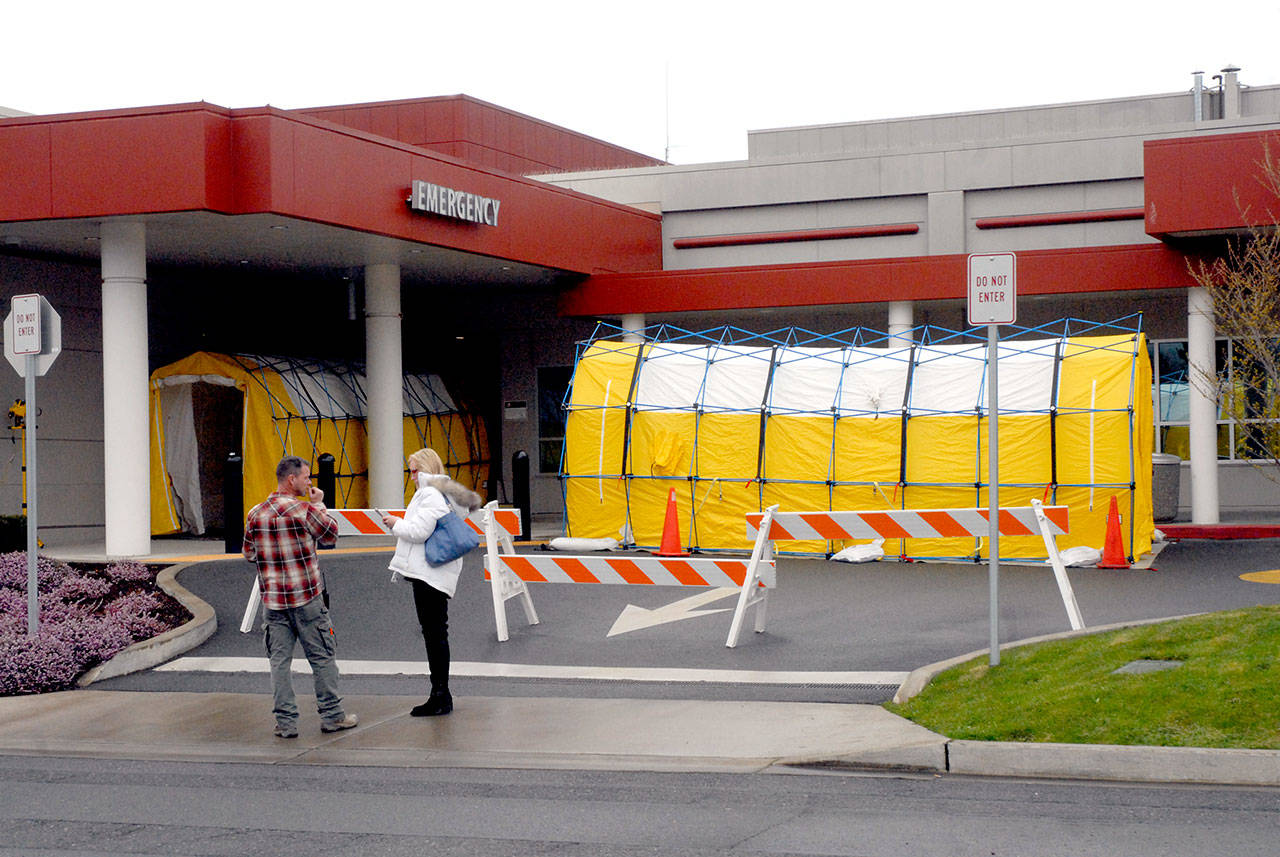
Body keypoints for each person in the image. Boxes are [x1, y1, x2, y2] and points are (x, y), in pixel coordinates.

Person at [242, 455, 357, 738]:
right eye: (306, 477)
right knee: (322, 657)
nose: (310, 482)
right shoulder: (305, 510)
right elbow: (330, 536)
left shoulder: (255, 513)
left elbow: (249, 553)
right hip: (307, 598)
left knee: (279, 662)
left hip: (273, 603)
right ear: (291, 479)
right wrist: (319, 504)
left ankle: (286, 722)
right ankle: (332, 716)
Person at [381, 447, 482, 717]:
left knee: (434, 635)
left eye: (414, 470)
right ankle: (440, 693)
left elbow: (418, 532)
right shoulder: (449, 493)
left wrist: (394, 523)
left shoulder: (428, 493)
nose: (411, 475)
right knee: (437, 633)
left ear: (424, 469)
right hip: (439, 573)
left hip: (428, 573)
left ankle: (439, 695)